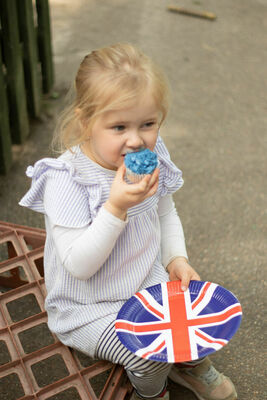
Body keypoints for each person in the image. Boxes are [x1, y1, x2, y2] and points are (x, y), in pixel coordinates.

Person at [20, 43, 237, 400]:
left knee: (199, 313)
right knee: (150, 357)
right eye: (119, 126)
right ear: (85, 121)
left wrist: (175, 259)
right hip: (88, 307)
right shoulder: (67, 180)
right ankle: (151, 391)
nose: (136, 140)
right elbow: (78, 266)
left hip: (144, 282)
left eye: (148, 124)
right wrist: (115, 208)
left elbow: (165, 212)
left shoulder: (150, 155)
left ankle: (191, 365)